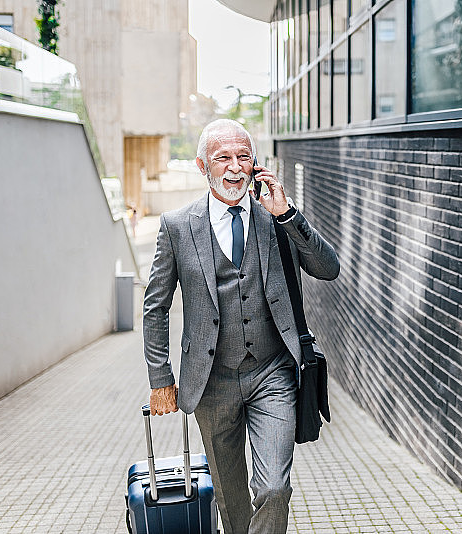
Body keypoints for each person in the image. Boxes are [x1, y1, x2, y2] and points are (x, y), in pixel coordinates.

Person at [143, 119, 339, 534]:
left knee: (272, 489)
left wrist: (288, 215)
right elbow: (155, 306)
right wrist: (161, 378)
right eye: (223, 158)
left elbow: (328, 268)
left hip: (272, 373)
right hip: (211, 382)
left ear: (255, 163)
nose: (235, 167)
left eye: (243, 156)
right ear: (202, 166)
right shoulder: (177, 226)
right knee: (231, 503)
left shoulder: (277, 217)